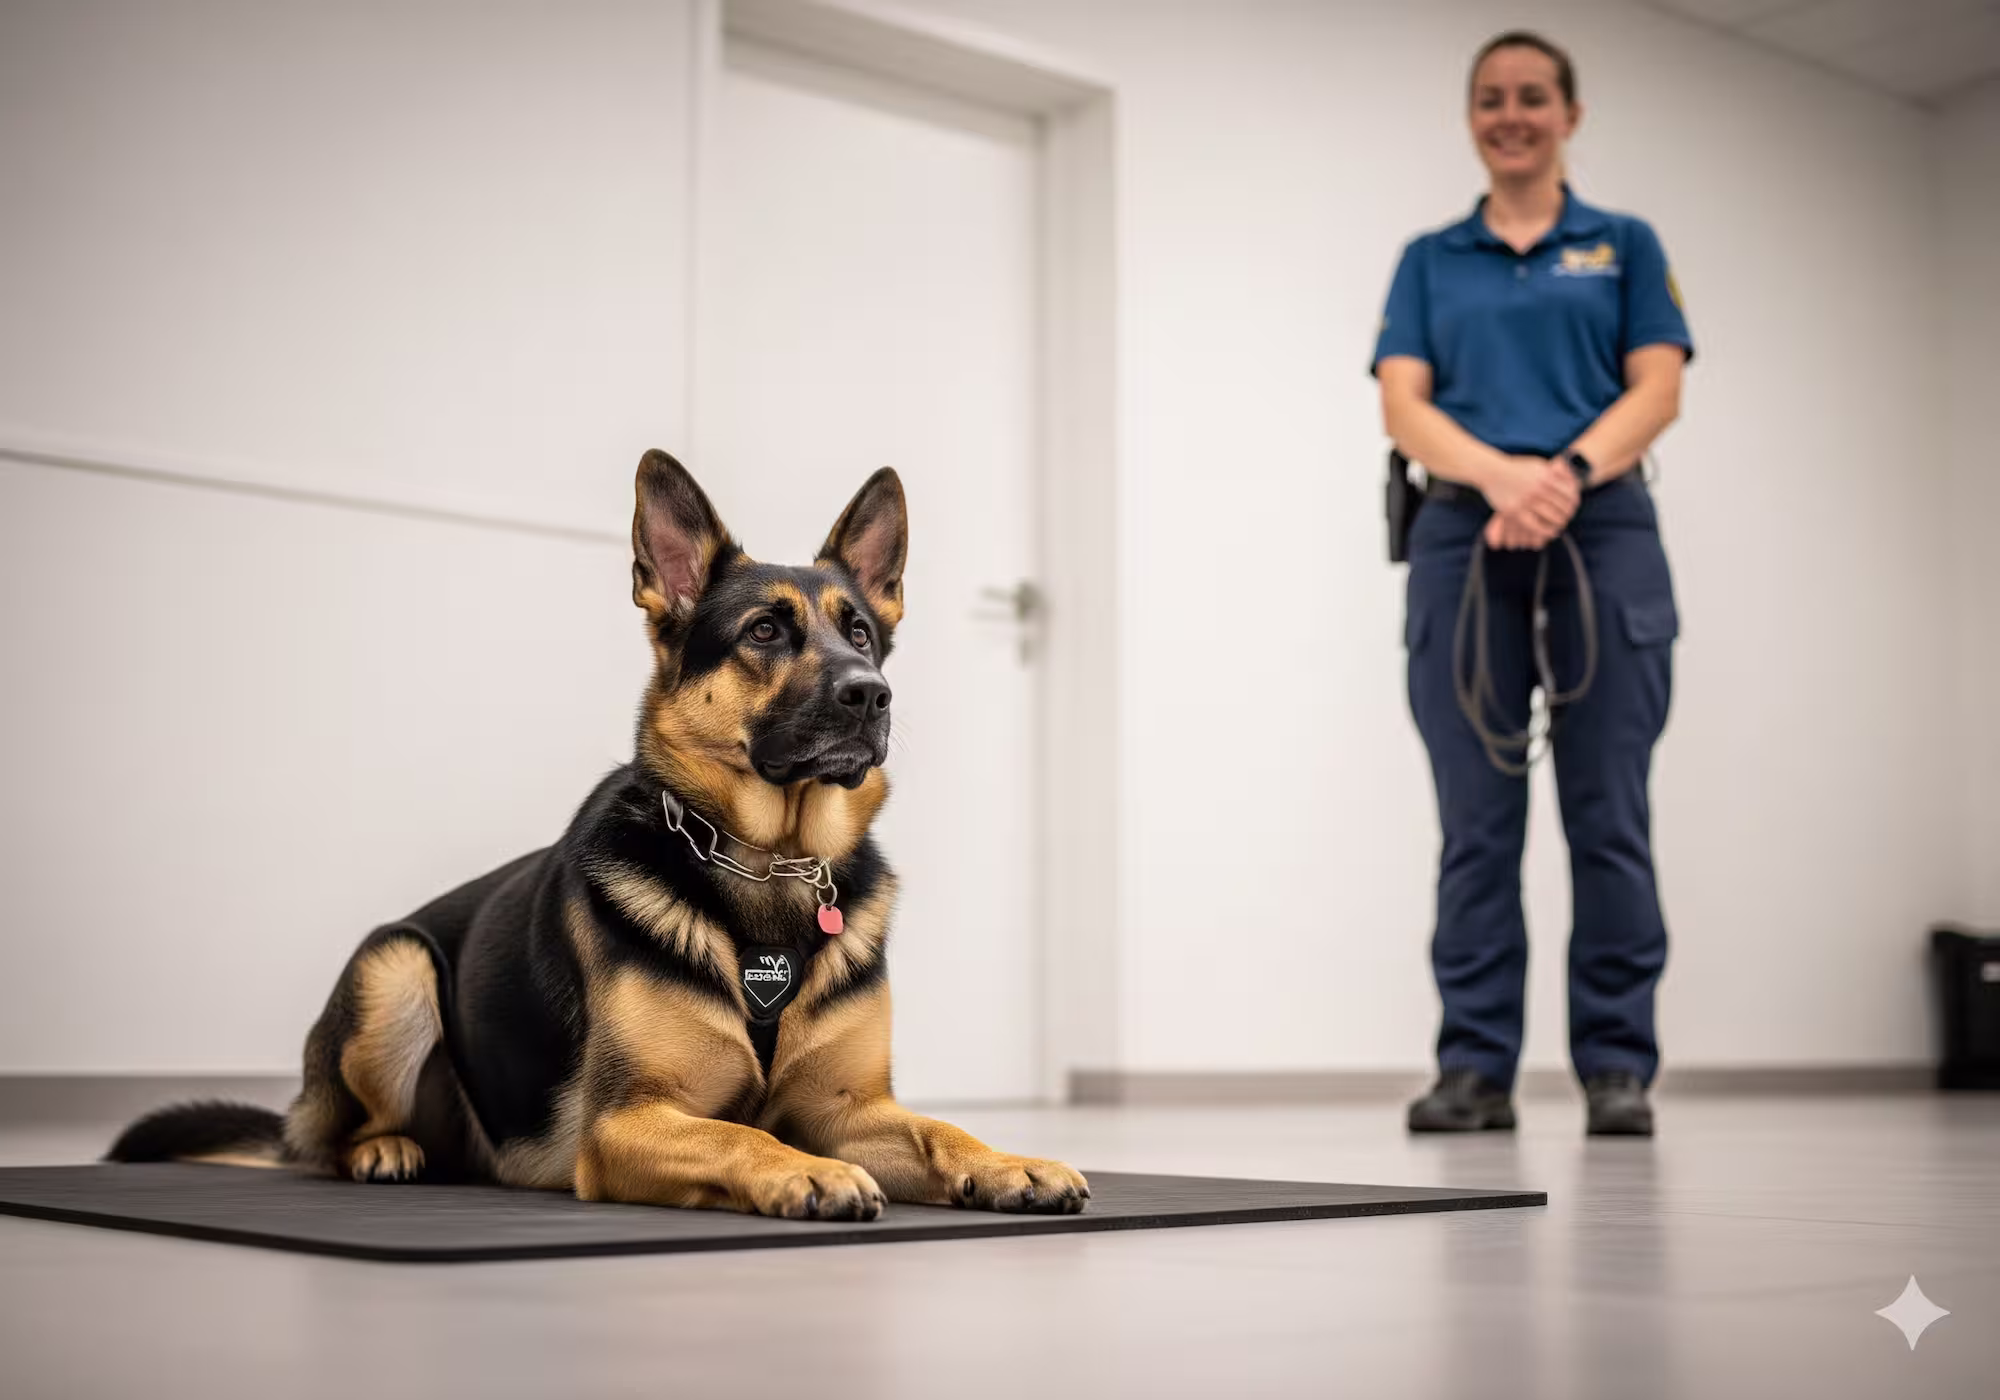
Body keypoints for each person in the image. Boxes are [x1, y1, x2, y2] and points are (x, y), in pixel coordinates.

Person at [1373, 31, 1692, 1136]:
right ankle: (1473, 1067)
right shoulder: (1430, 257)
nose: (1509, 114)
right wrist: (1502, 475)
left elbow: (1657, 387)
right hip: (1465, 535)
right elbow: (1404, 407)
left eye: (1531, 97)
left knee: (1607, 813)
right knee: (1475, 822)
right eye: (1489, 99)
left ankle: (1616, 1064)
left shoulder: (1623, 245)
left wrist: (1558, 476)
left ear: (1568, 112)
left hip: (1598, 526)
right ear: (1472, 117)